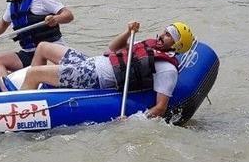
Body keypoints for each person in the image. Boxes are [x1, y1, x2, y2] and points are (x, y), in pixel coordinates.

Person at [19, 21, 195, 118]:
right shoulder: (150, 46)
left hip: (93, 76)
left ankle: (21, 111)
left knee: (34, 73)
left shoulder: (167, 69)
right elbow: (113, 48)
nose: (162, 35)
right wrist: (128, 32)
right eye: (164, 32)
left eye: (168, 36)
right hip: (91, 62)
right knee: (43, 47)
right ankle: (34, 94)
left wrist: (135, 120)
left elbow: (160, 108)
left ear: (177, 45)